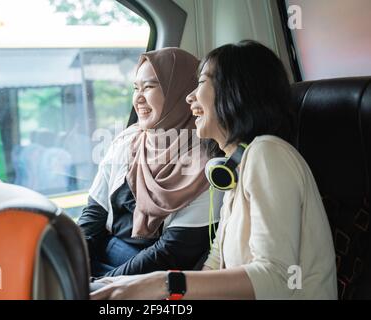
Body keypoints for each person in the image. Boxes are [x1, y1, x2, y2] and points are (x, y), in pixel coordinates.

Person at [90, 40, 337, 299]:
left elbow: (278, 278)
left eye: (201, 83)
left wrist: (161, 283)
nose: (189, 97)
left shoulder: (268, 154)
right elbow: (216, 260)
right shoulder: (230, 168)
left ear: (236, 91)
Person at [78, 47, 222, 278]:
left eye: (149, 87)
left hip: (147, 279)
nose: (139, 98)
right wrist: (71, 264)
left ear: (181, 91)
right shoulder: (126, 140)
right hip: (99, 265)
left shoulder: (208, 161)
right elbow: (94, 215)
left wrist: (102, 286)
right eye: (136, 88)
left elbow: (172, 252)